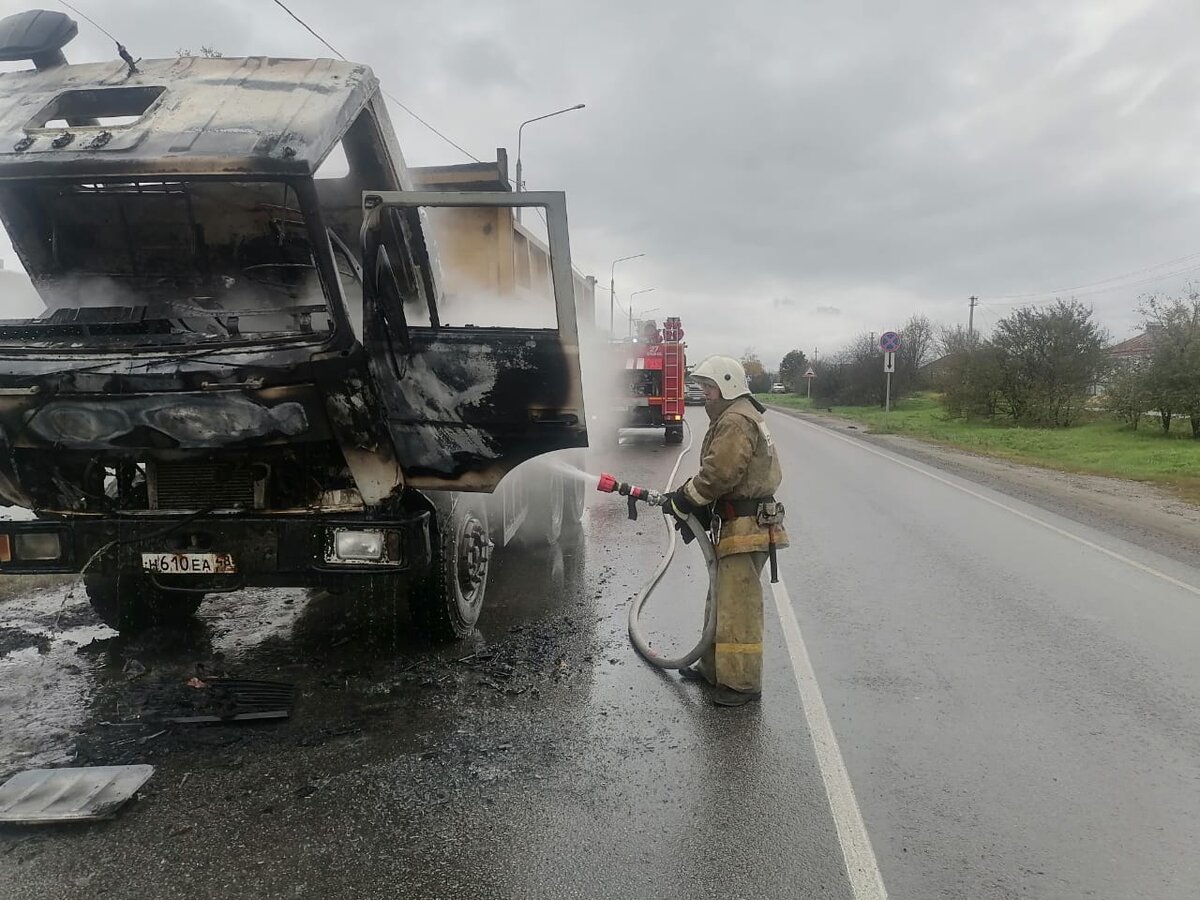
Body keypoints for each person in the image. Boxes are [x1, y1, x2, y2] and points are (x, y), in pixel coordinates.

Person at [663, 355, 788, 707]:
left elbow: (720, 474)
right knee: (722, 597)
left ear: (728, 386)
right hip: (736, 524)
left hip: (746, 526)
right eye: (703, 386)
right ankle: (713, 669)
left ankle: (741, 684)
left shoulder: (735, 420)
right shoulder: (739, 414)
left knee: (738, 607)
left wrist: (686, 497)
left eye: (709, 387)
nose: (704, 393)